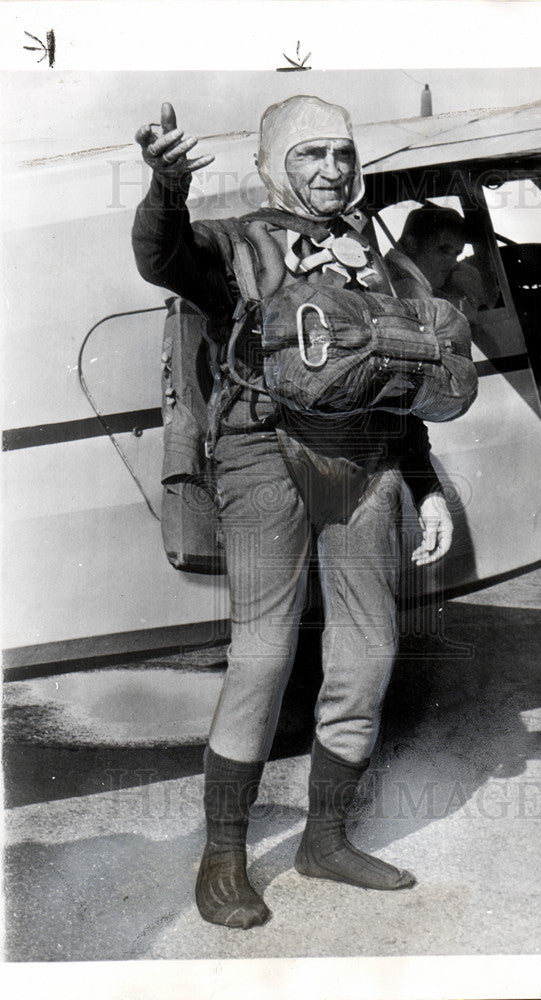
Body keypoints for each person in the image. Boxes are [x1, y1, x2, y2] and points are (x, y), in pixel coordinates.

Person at [132, 96, 474, 930]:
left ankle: (324, 839)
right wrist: (165, 189)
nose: (331, 170)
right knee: (263, 653)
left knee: (368, 650)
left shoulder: (384, 262)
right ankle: (222, 856)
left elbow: (401, 379)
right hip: (261, 455)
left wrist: (423, 483)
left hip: (365, 457)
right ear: (273, 164)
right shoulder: (238, 242)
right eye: (311, 154)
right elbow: (162, 256)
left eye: (343, 154)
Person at [385, 204, 489, 316]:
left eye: (456, 254)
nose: (452, 263)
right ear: (412, 244)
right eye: (444, 251)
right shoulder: (412, 293)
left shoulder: (390, 273)